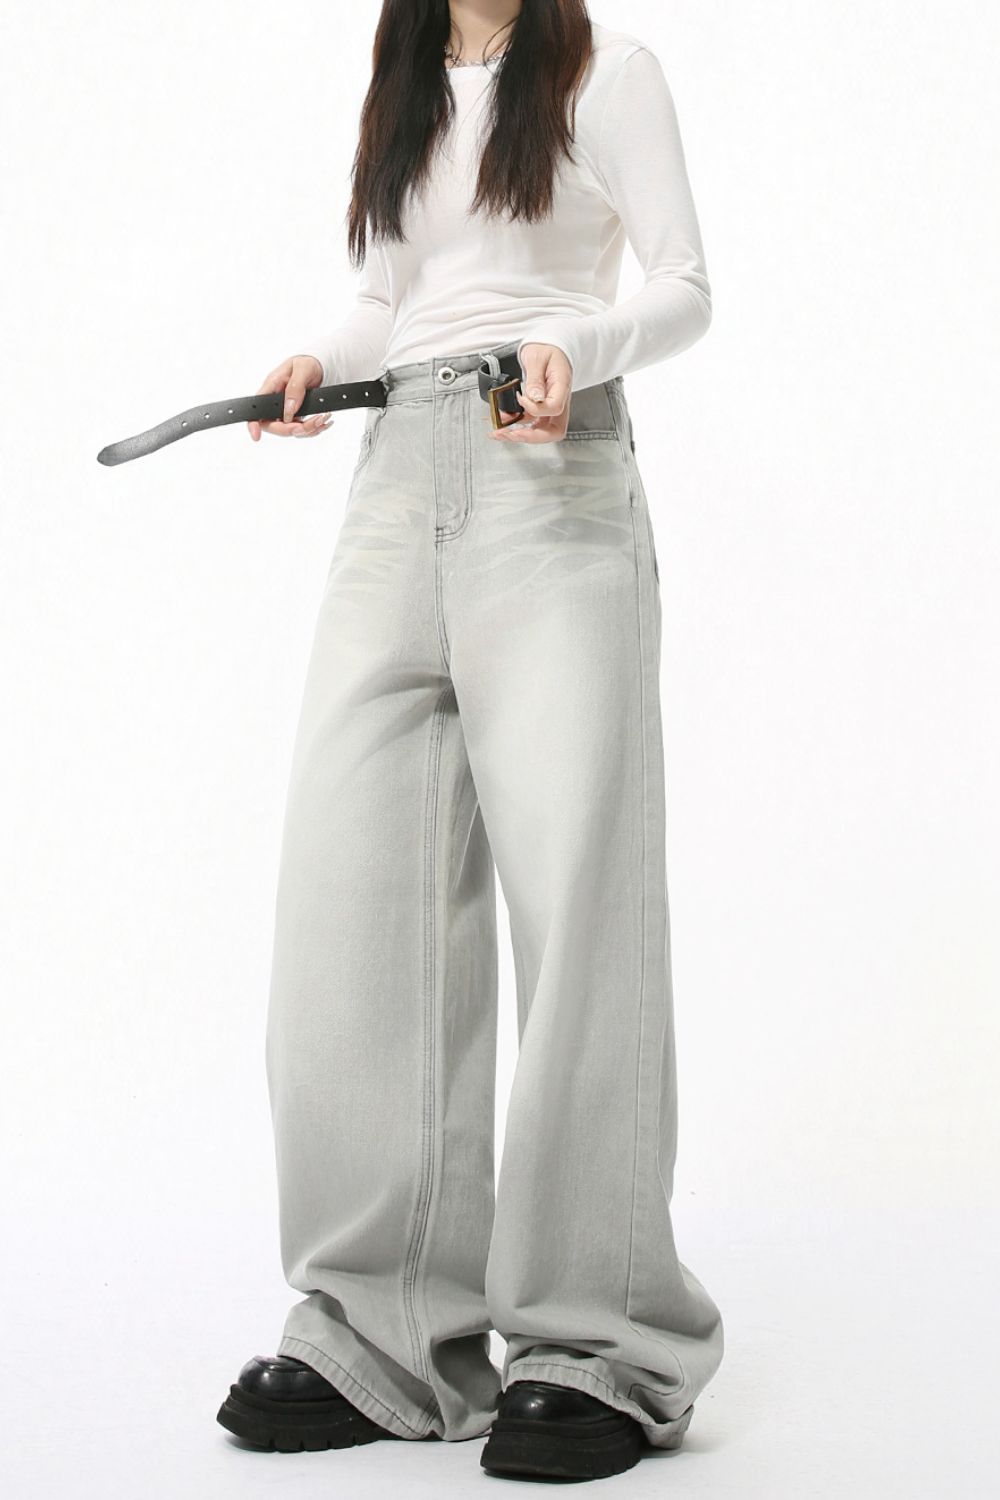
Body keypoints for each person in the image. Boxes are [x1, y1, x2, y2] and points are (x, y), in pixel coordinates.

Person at [215, 0, 723, 1482]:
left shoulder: (608, 73)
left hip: (547, 474)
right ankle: (382, 1331)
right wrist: (315, 358)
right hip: (394, 479)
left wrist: (574, 340)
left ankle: (599, 1338)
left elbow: (686, 285)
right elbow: (391, 298)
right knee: (352, 900)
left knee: (579, 902)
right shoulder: (404, 82)